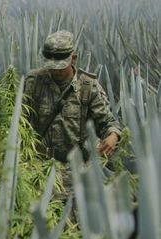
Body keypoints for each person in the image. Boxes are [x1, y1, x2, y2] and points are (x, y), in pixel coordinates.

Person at [24, 30, 121, 163]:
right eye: (51, 66)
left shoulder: (87, 87)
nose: (55, 71)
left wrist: (113, 135)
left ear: (73, 58)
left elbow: (106, 122)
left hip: (74, 169)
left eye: (60, 66)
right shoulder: (34, 81)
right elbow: (19, 118)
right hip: (36, 165)